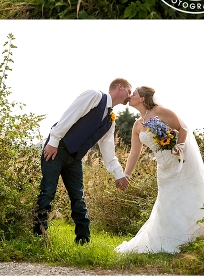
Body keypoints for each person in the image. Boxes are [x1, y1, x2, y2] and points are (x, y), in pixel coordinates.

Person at [115, 86, 204, 253]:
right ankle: (171, 236)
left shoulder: (161, 112)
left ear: (143, 98)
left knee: (187, 194)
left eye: (134, 94)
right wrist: (126, 175)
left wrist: (179, 146)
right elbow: (134, 152)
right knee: (168, 200)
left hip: (178, 161)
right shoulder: (137, 125)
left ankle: (198, 234)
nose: (130, 96)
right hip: (163, 167)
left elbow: (183, 129)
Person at [34, 79, 132, 244]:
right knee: (48, 191)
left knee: (78, 198)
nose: (130, 97)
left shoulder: (111, 120)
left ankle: (83, 240)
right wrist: (53, 140)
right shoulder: (94, 96)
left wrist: (118, 173)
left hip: (75, 158)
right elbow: (70, 115)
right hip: (57, 149)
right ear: (120, 87)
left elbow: (108, 150)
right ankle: (38, 235)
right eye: (129, 91)